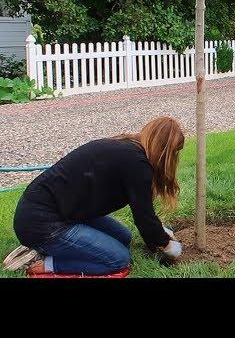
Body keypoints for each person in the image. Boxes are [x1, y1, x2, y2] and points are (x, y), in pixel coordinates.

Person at [3, 116, 185, 275]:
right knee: (118, 260)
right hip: (42, 225)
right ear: (165, 152)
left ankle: (55, 248)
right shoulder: (137, 164)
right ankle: (49, 263)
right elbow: (143, 217)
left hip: (56, 211)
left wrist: (159, 231)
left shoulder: (128, 148)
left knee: (123, 237)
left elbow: (143, 207)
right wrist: (168, 246)